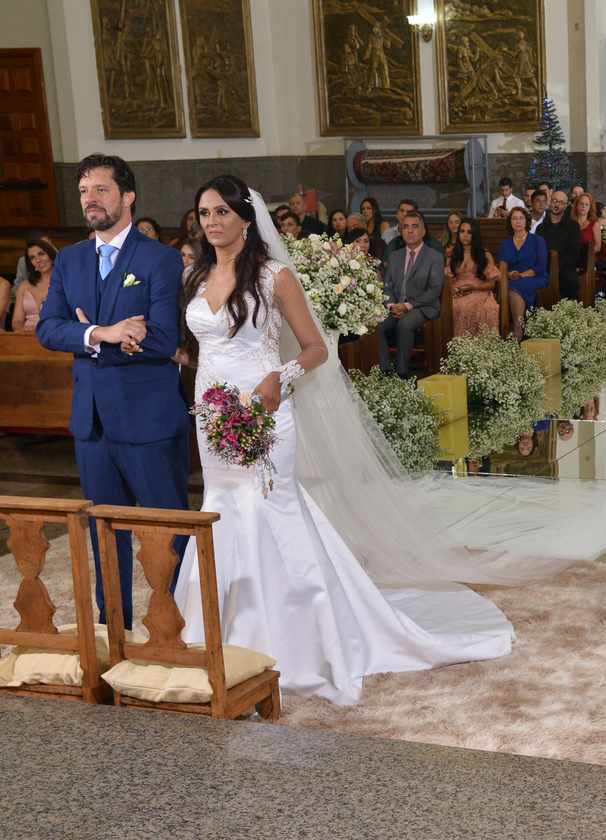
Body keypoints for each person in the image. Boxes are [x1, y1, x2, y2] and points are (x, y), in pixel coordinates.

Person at [172, 175, 519, 706]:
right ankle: (218, 637)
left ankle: (301, 641)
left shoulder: (273, 276)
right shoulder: (194, 276)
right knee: (219, 510)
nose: (212, 222)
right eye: (204, 213)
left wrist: (277, 379)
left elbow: (316, 349)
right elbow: (199, 347)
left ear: (246, 218)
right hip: (213, 415)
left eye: (222, 212)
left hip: (267, 410)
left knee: (272, 509)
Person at [34, 153, 190, 626]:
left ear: (127, 196)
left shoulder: (159, 259)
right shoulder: (72, 259)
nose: (90, 200)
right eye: (83, 191)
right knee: (105, 534)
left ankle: (179, 628)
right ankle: (112, 630)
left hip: (149, 420)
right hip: (92, 425)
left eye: (100, 190)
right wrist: (100, 333)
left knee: (167, 533)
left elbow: (163, 339)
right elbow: (48, 329)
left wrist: (98, 334)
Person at [378, 211, 444, 378]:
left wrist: (407, 306)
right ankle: (385, 371)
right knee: (376, 324)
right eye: (405, 227)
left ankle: (402, 373)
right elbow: (387, 287)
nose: (409, 231)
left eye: (415, 227)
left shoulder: (434, 257)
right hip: (396, 305)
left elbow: (434, 291)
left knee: (405, 324)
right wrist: (392, 306)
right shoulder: (394, 256)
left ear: (423, 231)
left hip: (422, 307)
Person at [498, 207, 547, 342]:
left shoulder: (537, 240)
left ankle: (517, 329)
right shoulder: (504, 244)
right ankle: (504, 329)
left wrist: (524, 274)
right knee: (508, 285)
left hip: (535, 277)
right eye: (514, 218)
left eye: (521, 218)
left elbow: (541, 266)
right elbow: (501, 267)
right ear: (510, 222)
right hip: (512, 279)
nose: (518, 221)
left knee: (514, 287)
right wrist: (508, 274)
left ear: (527, 221)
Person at [446, 218, 500, 337]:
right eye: (462, 231)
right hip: (457, 291)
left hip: (479, 290)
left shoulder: (484, 255)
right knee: (448, 307)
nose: (465, 235)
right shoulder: (452, 255)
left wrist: (473, 286)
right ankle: (453, 349)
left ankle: (471, 349)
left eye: (469, 232)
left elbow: (491, 284)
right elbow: (447, 279)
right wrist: (451, 287)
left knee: (468, 307)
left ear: (475, 234)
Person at [537, 191, 582, 301]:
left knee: (572, 283)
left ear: (565, 207)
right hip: (544, 267)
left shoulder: (573, 226)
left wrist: (557, 266)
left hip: (564, 267)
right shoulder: (541, 228)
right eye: (555, 201)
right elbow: (536, 250)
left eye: (561, 202)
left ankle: (564, 313)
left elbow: (573, 252)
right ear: (550, 203)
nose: (557, 205)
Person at [13, 239, 56, 332]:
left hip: (55, 335)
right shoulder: (24, 286)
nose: (38, 260)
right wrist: (24, 329)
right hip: (27, 336)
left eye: (41, 254)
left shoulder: (66, 283)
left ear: (51, 254)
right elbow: (16, 321)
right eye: (32, 257)